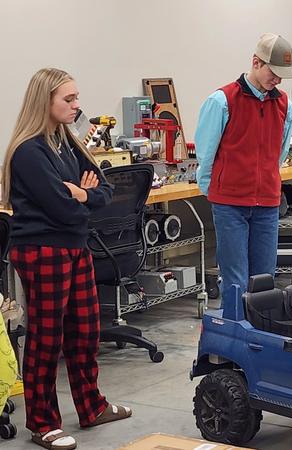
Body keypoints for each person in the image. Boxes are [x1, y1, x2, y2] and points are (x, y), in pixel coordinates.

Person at [1, 68, 132, 449]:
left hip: (74, 246)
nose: (77, 106)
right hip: (42, 249)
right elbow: (62, 209)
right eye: (69, 99)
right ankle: (42, 422)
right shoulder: (29, 152)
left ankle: (92, 406)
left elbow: (105, 189)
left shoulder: (66, 142)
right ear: (45, 101)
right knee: (47, 337)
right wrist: (78, 198)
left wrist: (82, 194)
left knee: (85, 330)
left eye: (77, 98)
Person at [196, 33, 292, 299]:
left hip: (267, 203)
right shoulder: (222, 101)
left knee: (264, 279)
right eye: (273, 73)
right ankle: (235, 325)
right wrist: (215, 191)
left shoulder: (285, 105)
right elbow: (206, 154)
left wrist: (268, 180)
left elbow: (280, 152)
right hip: (230, 205)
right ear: (256, 62)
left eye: (282, 76)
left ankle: (261, 325)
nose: (277, 80)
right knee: (236, 280)